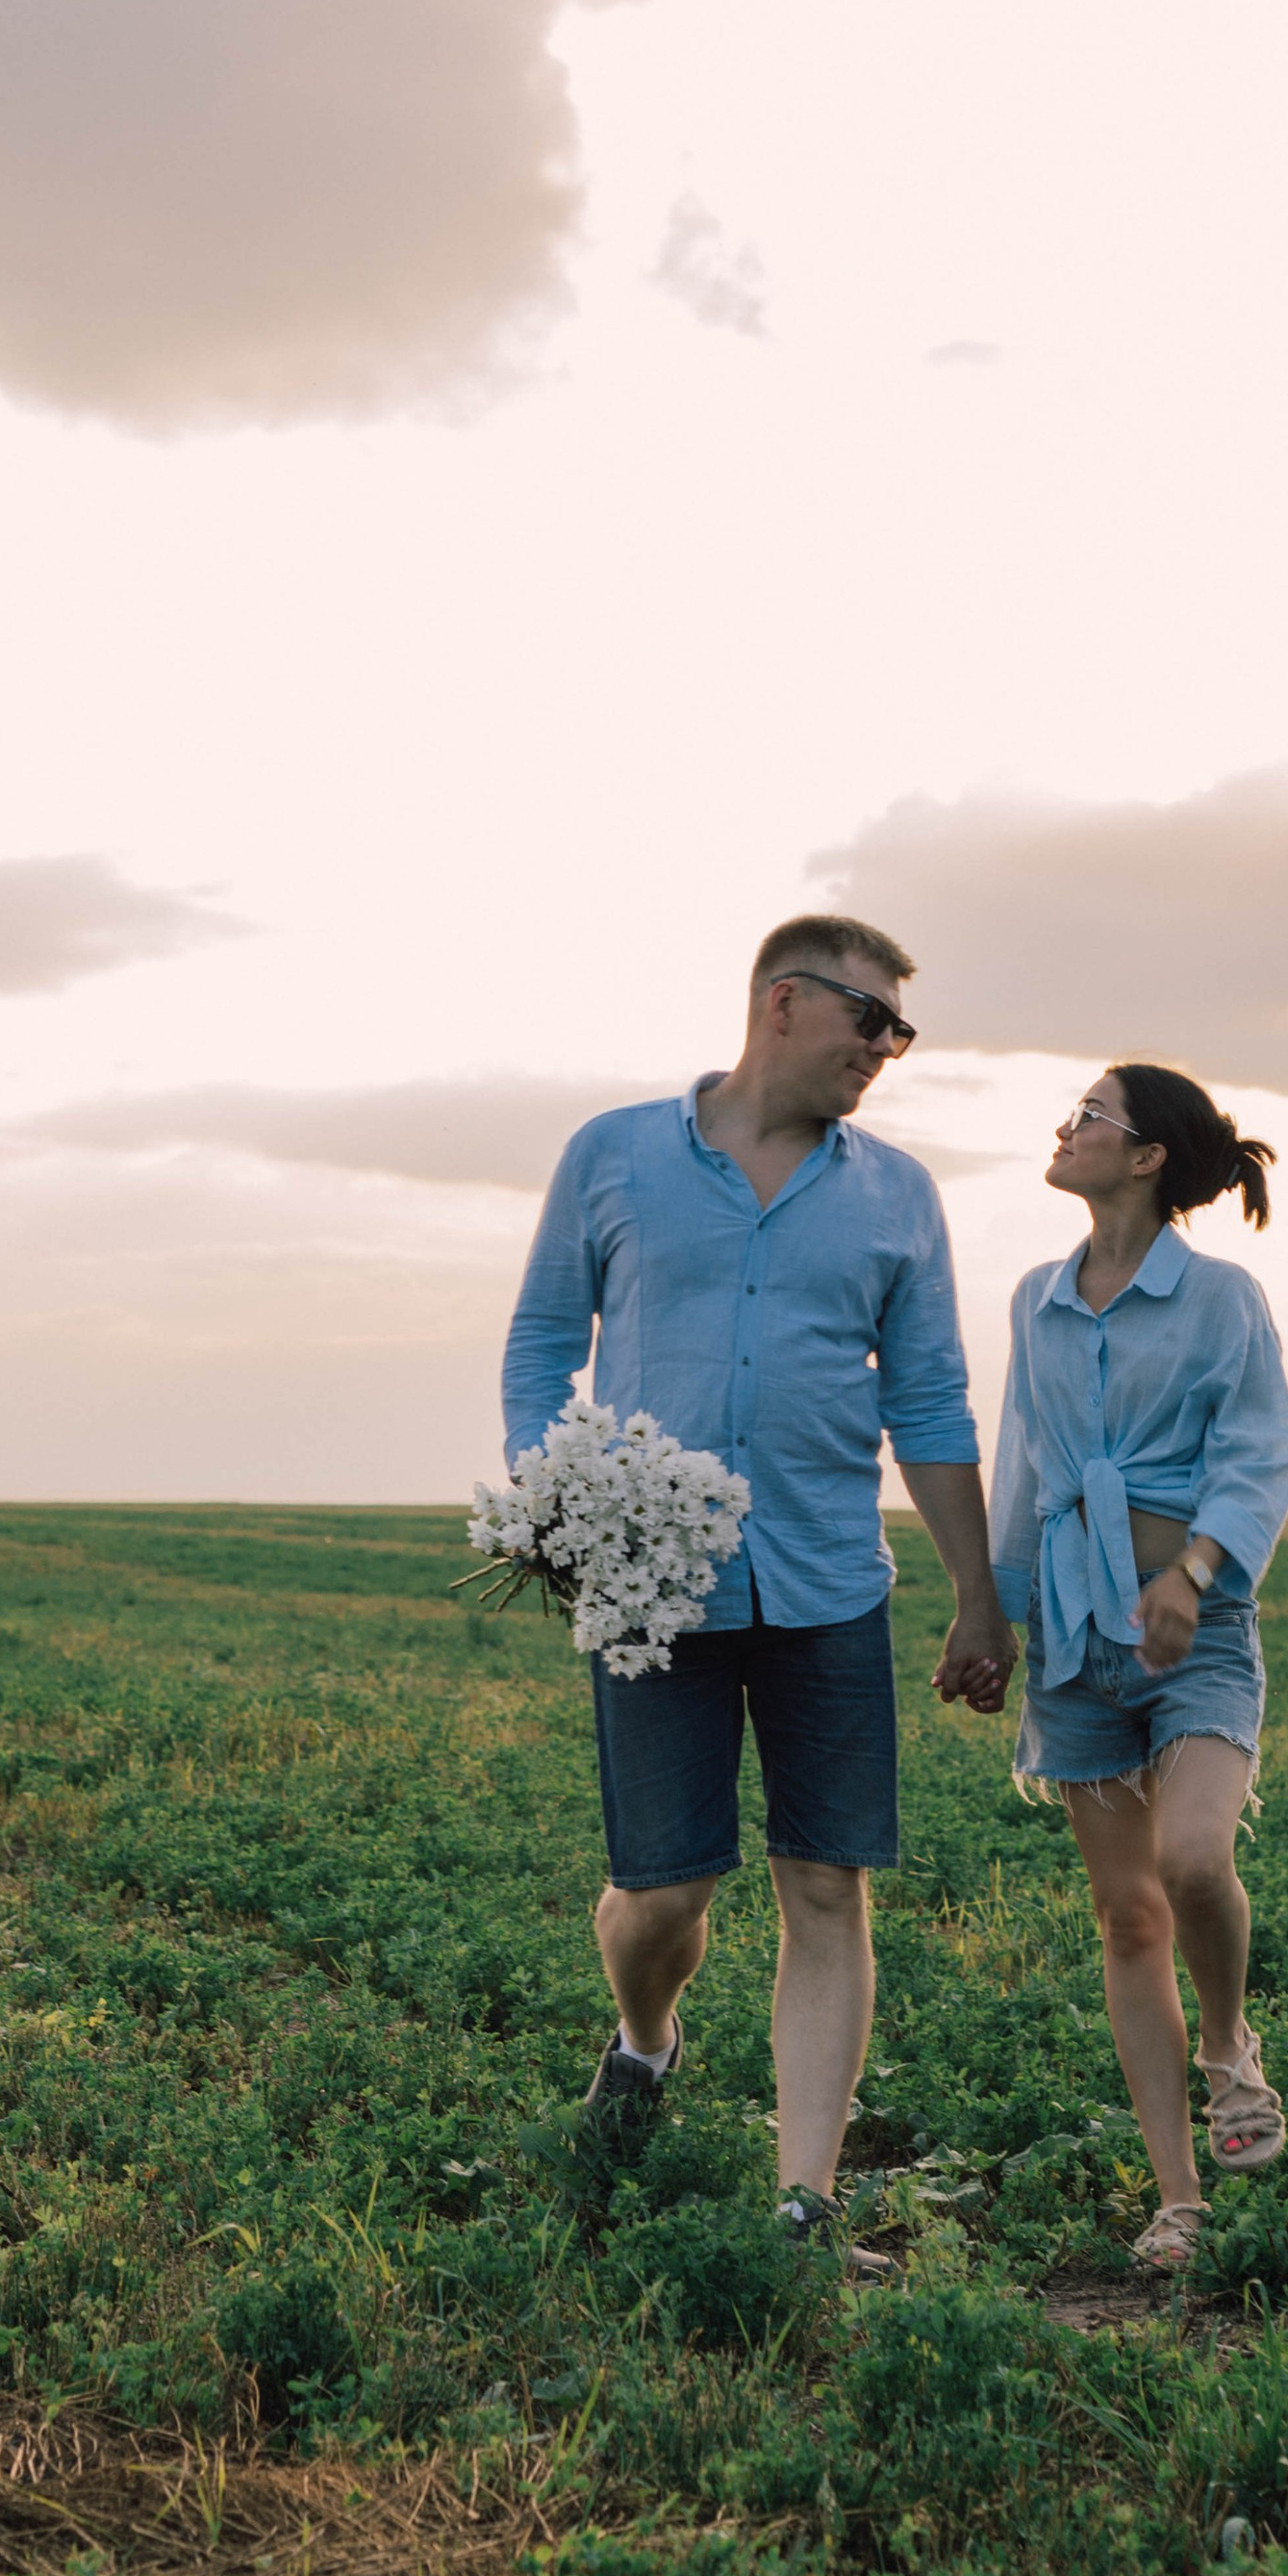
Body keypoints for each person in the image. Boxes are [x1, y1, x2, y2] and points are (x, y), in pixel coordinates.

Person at [502, 914, 1016, 2267]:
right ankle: (646, 2041)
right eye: (873, 1022)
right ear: (785, 1003)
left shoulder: (899, 1194)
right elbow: (546, 1340)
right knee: (662, 1898)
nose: (887, 1053)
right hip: (651, 1587)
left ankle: (804, 2201)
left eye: (903, 1033)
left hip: (829, 1579)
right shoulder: (612, 1156)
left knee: (827, 1890)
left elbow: (932, 1402)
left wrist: (976, 1592)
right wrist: (554, 1496)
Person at [989, 1062, 1288, 2274]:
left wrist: (1193, 1571)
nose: (1062, 1129)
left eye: (1088, 1116)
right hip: (1073, 1640)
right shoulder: (1035, 1296)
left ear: (1145, 1156)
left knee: (1189, 1858)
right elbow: (1024, 1463)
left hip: (1196, 1635)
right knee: (1126, 1917)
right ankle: (1180, 2196)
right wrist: (993, 1614)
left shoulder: (1221, 1296)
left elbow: (1260, 1445)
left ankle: (1230, 2044)